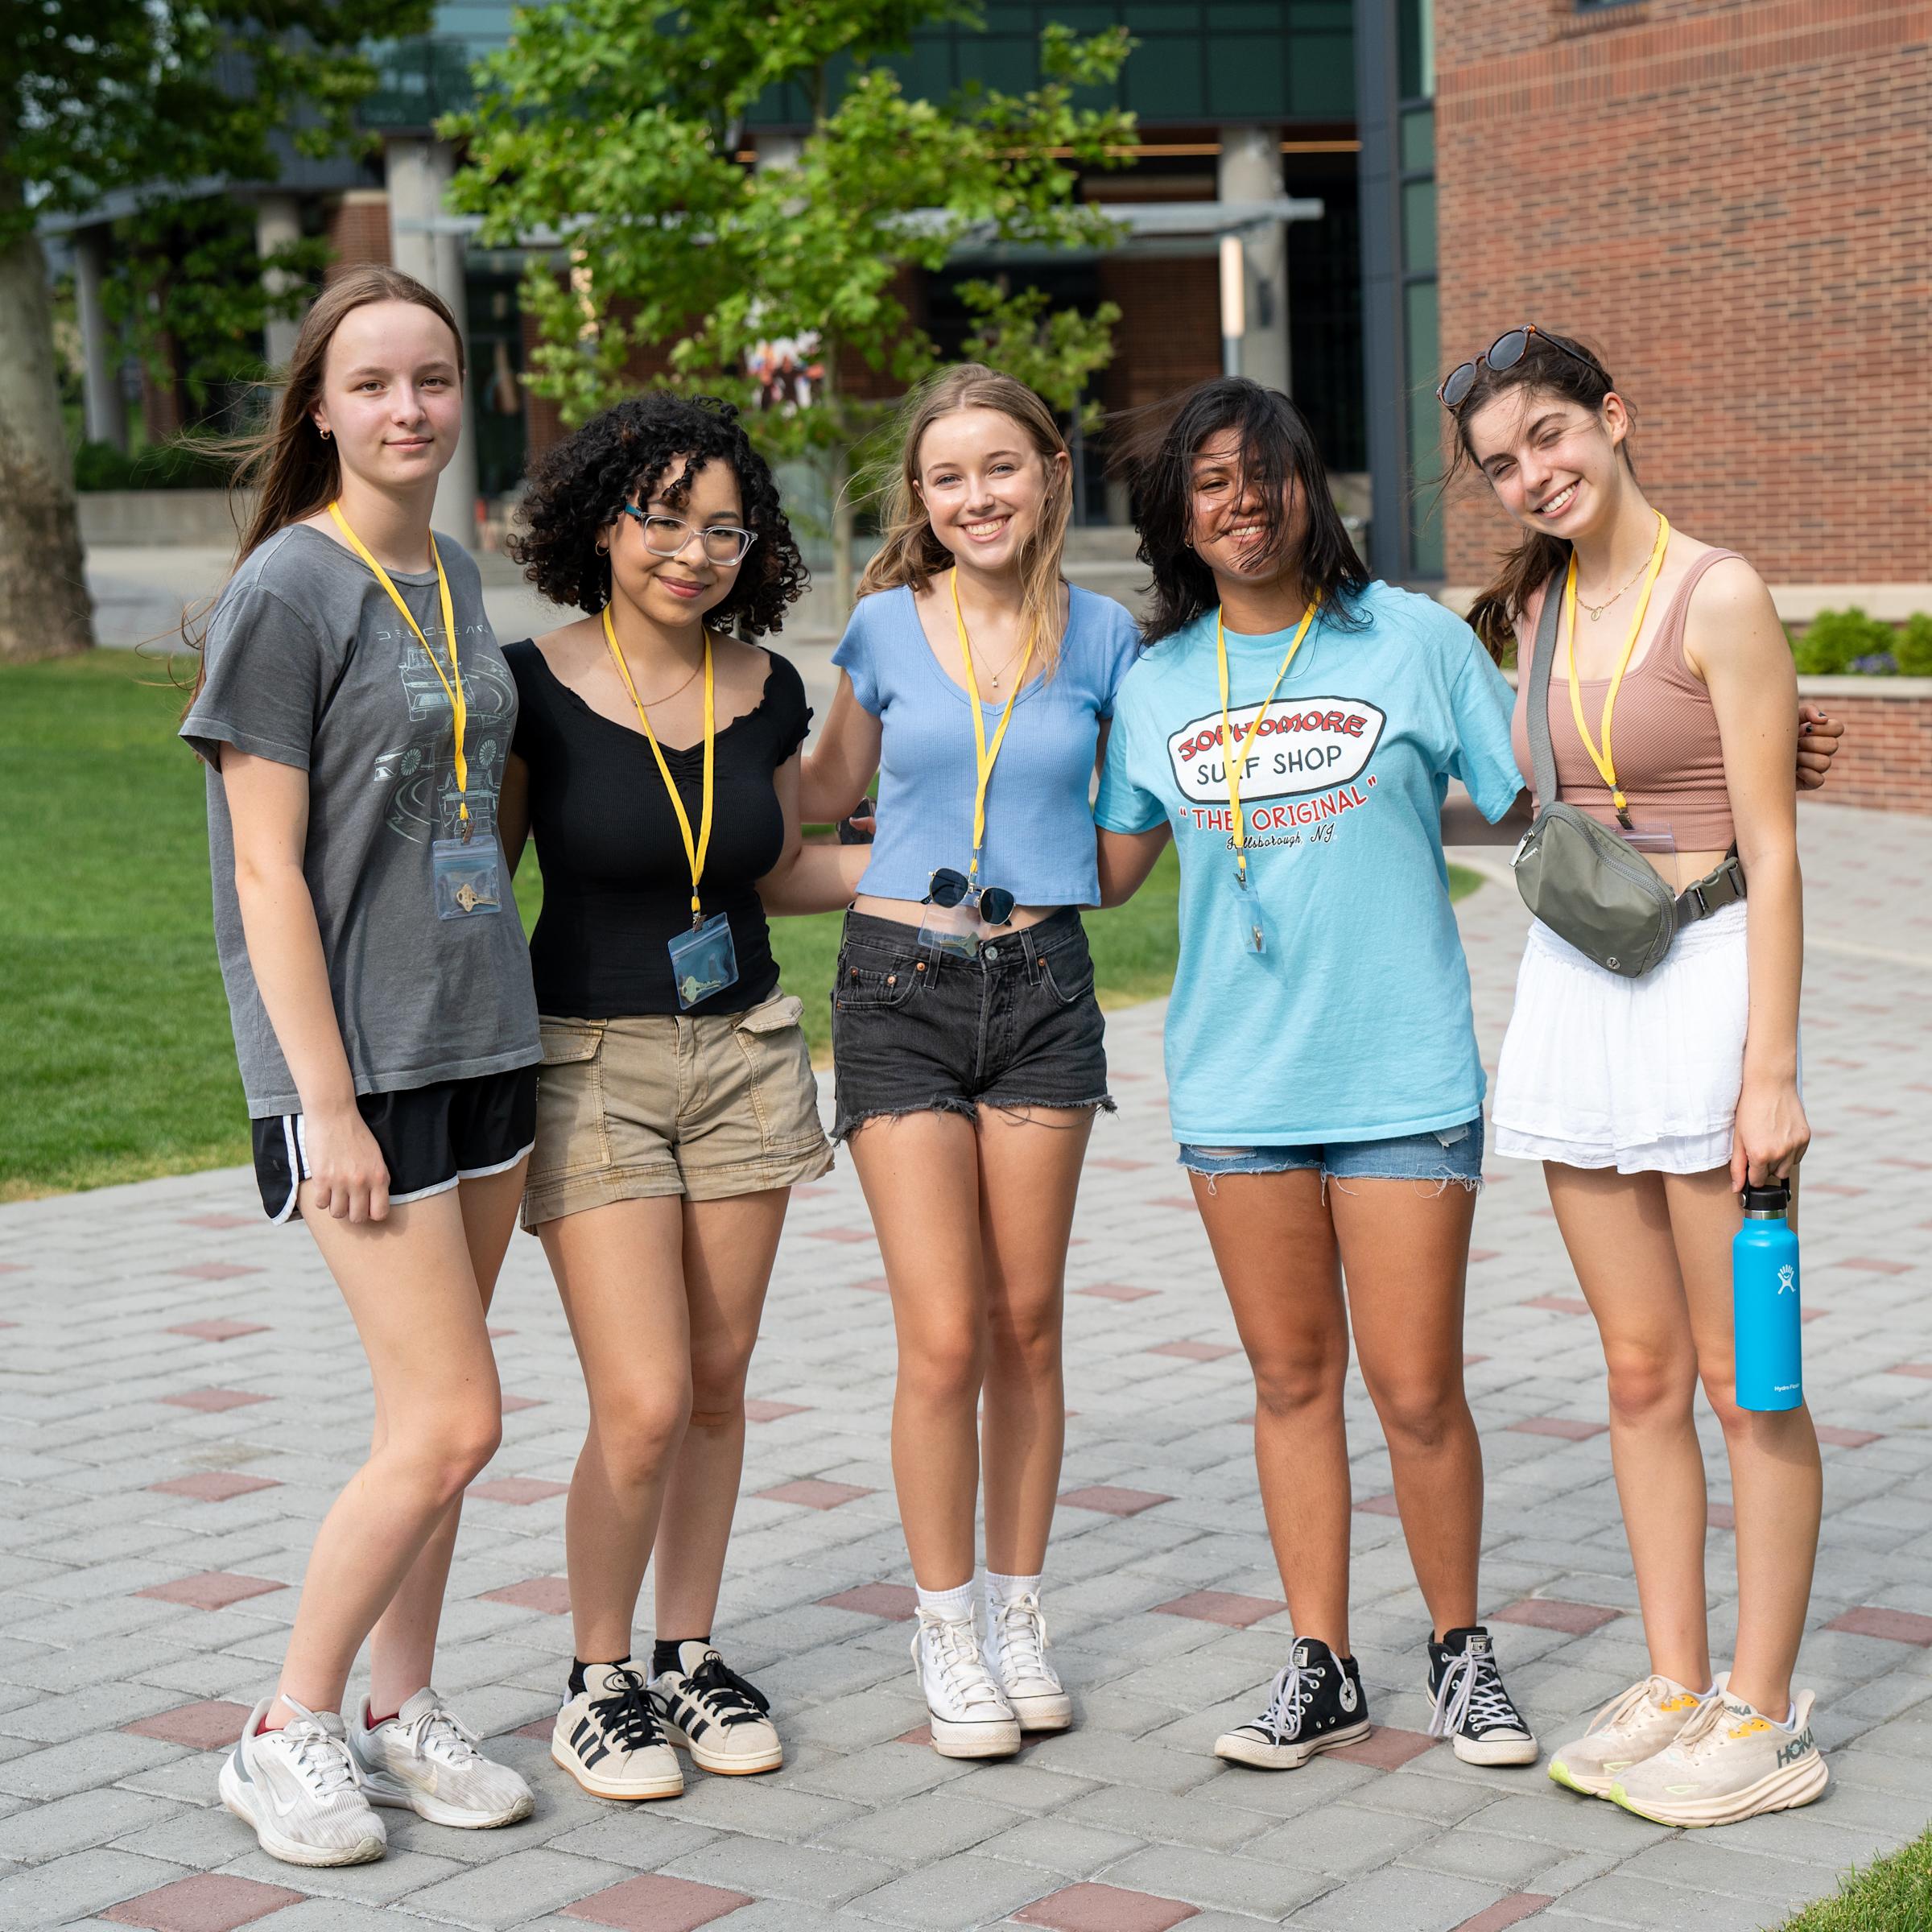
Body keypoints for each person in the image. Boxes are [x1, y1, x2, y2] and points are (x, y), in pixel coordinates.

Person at [1088, 375, 1843, 1779]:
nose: (1242, 503)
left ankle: (1464, 1655)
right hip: (1235, 1084)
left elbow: (1547, 785)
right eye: (1209, 484)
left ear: (1312, 486)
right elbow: (1107, 856)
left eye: (1266, 475)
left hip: (1405, 1072)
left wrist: (1748, 757)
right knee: (1290, 1379)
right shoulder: (1153, 682)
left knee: (1421, 1387)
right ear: (1176, 517)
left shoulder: (1418, 639)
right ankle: (1319, 1664)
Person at [1446, 324, 1827, 1827]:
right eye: (1501, 462)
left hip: (1711, 983)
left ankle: (1762, 1708)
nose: (1534, 474)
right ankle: (1675, 1681)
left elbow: (1780, 852)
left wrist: (1773, 1073)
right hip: (1580, 988)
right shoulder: (1530, 608)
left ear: (1615, 416)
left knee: (1746, 1379)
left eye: (1552, 436)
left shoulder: (1716, 591)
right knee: (1640, 1373)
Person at [182, 266, 538, 1865]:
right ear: (318, 406)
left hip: (480, 1040)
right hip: (358, 1072)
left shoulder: (457, 574)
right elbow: (264, 877)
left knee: (430, 1423)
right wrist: (318, 1100)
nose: (411, 409)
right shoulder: (287, 590)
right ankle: (284, 1727)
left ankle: (404, 1707)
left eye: (437, 379)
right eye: (377, 382)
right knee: (454, 1420)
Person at [497, 395, 853, 1801]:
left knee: (715, 1385)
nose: (692, 552)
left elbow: (778, 872)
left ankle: (688, 1654)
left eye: (724, 527)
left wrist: (924, 897)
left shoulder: (769, 689)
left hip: (750, 1051)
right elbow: (483, 892)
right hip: (588, 1059)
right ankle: (597, 1679)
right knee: (641, 1398)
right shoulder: (529, 685)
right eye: (663, 518)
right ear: (602, 519)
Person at [799, 366, 1141, 1757]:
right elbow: (819, 796)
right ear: (921, 502)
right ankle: (943, 1628)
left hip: (1046, 984)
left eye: (1000, 468)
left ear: (1050, 473)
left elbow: (1126, 851)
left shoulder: (1111, 636)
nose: (976, 497)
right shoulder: (882, 627)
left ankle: (1016, 1611)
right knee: (944, 1334)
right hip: (897, 986)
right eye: (948, 478)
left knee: (1028, 1324)